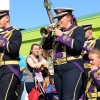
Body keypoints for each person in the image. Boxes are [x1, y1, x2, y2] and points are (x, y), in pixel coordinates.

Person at [41, 7, 85, 100]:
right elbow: (45, 46)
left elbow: (78, 46)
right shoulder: (58, 33)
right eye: (58, 19)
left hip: (72, 66)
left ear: (68, 18)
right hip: (58, 68)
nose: (59, 21)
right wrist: (48, 34)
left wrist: (62, 35)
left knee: (68, 98)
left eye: (61, 18)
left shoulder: (78, 30)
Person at [0, 2, 22, 100]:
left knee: (4, 97)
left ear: (7, 18)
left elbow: (13, 49)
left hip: (9, 69)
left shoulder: (16, 32)